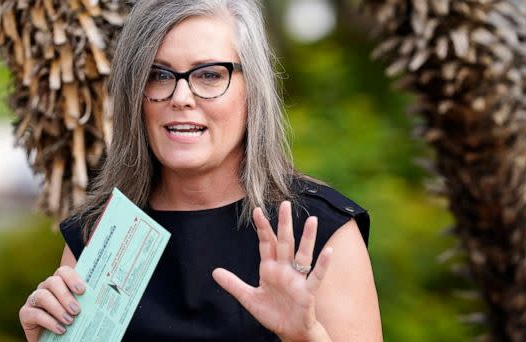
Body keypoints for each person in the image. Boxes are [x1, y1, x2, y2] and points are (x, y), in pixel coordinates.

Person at [19, 0, 382, 341]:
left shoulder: (319, 235)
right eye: (158, 75)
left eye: (209, 75)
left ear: (252, 90)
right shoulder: (102, 234)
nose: (181, 97)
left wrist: (304, 338)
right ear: (135, 94)